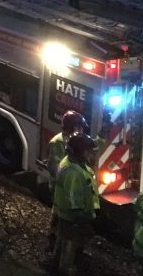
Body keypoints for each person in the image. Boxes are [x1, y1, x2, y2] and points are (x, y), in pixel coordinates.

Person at [52, 132, 99, 276]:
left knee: (63, 240)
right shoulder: (74, 172)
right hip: (73, 217)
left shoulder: (71, 162)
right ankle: (65, 270)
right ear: (79, 152)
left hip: (67, 215)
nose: (90, 154)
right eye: (88, 151)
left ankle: (56, 265)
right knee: (69, 244)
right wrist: (83, 218)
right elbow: (73, 201)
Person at [46, 111, 87, 252]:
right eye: (80, 126)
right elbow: (54, 168)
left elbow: (92, 146)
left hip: (67, 188)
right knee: (61, 214)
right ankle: (55, 242)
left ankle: (55, 237)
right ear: (73, 127)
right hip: (60, 188)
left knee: (59, 212)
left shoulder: (75, 140)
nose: (82, 129)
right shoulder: (57, 142)